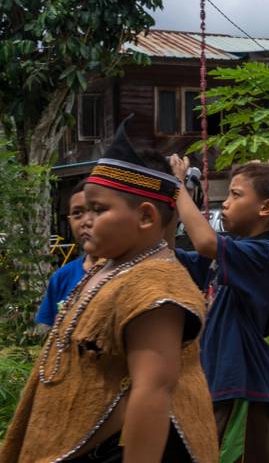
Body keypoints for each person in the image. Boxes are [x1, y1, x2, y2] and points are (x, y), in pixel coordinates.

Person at [1, 125, 217, 462]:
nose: (86, 220)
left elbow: (153, 392)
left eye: (99, 210)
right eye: (81, 211)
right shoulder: (111, 268)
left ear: (145, 216)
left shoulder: (157, 284)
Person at [171, 158, 269, 463]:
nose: (225, 203)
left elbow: (204, 241)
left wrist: (179, 187)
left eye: (235, 195)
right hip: (218, 382)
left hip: (243, 385)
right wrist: (167, 198)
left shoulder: (266, 253)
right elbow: (168, 256)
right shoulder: (231, 253)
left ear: (265, 208)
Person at [34, 180, 98, 334]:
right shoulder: (62, 277)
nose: (86, 221)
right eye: (77, 213)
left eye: (96, 210)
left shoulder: (130, 275)